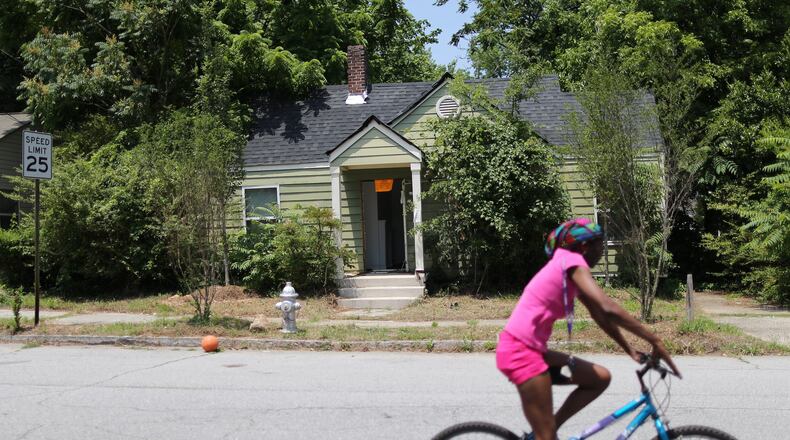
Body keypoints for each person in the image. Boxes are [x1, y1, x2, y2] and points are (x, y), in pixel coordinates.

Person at [496, 218, 681, 440]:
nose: (602, 251)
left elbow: (600, 315)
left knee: (600, 378)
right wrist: (655, 339)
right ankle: (545, 433)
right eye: (600, 246)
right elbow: (607, 306)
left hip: (533, 350)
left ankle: (547, 429)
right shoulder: (571, 261)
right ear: (585, 247)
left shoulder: (568, 267)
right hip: (521, 353)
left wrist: (630, 349)